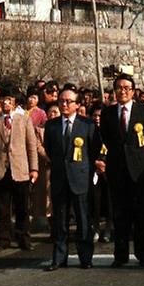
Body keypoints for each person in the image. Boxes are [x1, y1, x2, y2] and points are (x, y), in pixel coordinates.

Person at [96, 74, 144, 268]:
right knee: (119, 215)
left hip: (138, 170)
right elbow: (104, 137)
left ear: (133, 91)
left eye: (127, 88)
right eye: (119, 87)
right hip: (117, 170)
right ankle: (120, 255)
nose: (123, 91)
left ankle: (143, 254)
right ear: (114, 91)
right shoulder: (107, 113)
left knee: (140, 215)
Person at [43, 89, 98, 271]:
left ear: (77, 104)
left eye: (68, 101)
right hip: (60, 179)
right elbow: (50, 150)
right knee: (60, 221)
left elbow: (94, 149)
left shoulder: (87, 124)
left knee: (83, 220)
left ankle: (85, 257)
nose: (64, 104)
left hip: (80, 178)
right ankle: (59, 258)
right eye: (61, 101)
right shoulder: (51, 126)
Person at [0, 89, 39, 252]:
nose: (6, 103)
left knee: (22, 207)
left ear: (14, 102)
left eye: (9, 100)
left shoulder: (24, 120)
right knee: (1, 208)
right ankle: (2, 240)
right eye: (3, 100)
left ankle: (24, 239)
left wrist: (34, 168)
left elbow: (31, 146)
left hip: (20, 169)